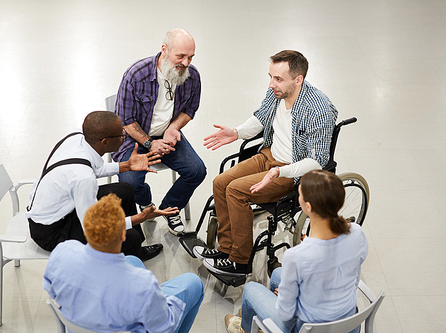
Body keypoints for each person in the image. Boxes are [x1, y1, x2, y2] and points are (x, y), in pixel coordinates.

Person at [195, 50, 338, 275]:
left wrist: (280, 172)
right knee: (221, 182)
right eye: (270, 76)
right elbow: (261, 118)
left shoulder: (318, 109)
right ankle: (226, 248)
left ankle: (240, 262)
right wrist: (236, 132)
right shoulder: (278, 92)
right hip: (268, 155)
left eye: (278, 78)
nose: (271, 84)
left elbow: (317, 161)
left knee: (235, 191)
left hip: (291, 171)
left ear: (298, 80)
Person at [224, 170, 368, 333]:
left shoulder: (298, 256)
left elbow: (286, 313)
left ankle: (246, 328)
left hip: (308, 328)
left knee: (251, 290)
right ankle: (261, 321)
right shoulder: (356, 232)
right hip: (348, 322)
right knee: (278, 273)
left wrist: (290, 299)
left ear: (308, 207)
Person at [27, 111, 178, 261]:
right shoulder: (83, 179)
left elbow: (94, 168)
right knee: (129, 237)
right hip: (52, 233)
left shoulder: (77, 137)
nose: (124, 136)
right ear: (105, 142)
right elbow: (92, 228)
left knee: (124, 190)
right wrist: (138, 218)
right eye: (121, 135)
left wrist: (127, 165)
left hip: (65, 207)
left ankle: (135, 251)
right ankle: (127, 262)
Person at [43, 194, 205, 333]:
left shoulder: (62, 252)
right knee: (194, 283)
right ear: (123, 235)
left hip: (79, 325)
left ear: (85, 231)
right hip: (129, 318)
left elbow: (52, 292)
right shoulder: (143, 284)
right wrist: (159, 299)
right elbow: (164, 327)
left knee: (132, 261)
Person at [113, 28, 207, 236]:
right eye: (180, 56)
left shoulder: (192, 77)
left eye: (190, 57)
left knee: (197, 171)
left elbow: (189, 110)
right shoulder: (136, 75)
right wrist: (150, 143)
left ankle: (169, 209)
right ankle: (146, 204)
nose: (186, 63)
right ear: (164, 50)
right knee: (130, 183)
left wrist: (173, 128)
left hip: (166, 134)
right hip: (133, 138)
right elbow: (126, 121)